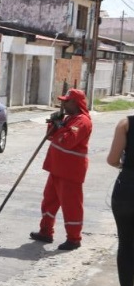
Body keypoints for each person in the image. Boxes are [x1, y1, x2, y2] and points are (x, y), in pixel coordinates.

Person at [29, 88, 92, 251]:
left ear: (76, 103)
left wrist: (60, 126)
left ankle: (74, 238)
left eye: (66, 101)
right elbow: (51, 137)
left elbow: (67, 141)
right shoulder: (69, 119)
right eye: (62, 100)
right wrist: (53, 124)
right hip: (57, 169)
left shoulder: (82, 121)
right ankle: (45, 232)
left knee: (71, 206)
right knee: (49, 201)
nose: (62, 103)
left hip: (70, 172)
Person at [106, 114, 134, 286]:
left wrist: (124, 166)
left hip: (127, 189)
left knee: (126, 243)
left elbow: (112, 159)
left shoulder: (126, 124)